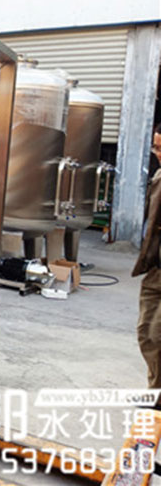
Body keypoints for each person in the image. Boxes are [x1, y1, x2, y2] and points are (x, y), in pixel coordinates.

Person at [132, 123, 161, 390]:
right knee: (147, 333)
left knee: (157, 334)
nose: (158, 154)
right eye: (156, 148)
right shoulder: (159, 176)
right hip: (155, 269)